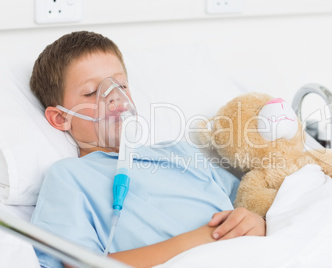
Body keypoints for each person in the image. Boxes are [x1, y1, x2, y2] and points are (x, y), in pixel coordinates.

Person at [29, 31, 266, 268]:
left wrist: (255, 220)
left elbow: (251, 202)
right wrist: (202, 239)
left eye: (120, 85)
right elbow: (80, 264)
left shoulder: (181, 153)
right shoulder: (69, 177)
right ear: (60, 118)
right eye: (92, 92)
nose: (114, 98)